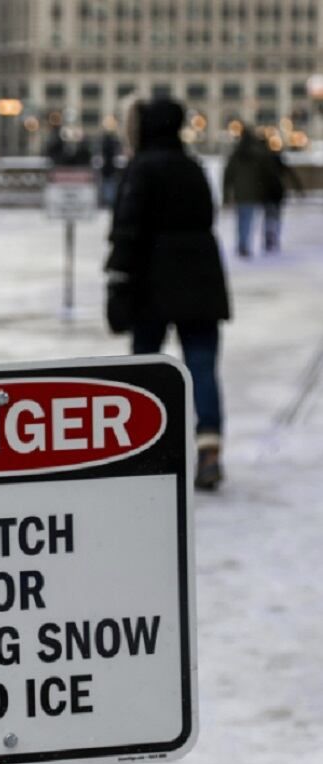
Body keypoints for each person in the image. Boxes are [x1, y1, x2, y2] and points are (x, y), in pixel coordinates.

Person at [105, 98, 231, 490]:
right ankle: (208, 446)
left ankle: (145, 448)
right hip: (201, 278)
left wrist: (119, 278)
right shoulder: (192, 166)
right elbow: (207, 216)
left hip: (151, 279)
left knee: (146, 367)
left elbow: (128, 228)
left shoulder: (141, 168)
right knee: (202, 364)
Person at [223, 126, 272, 257]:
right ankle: (244, 244)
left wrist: (226, 195)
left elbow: (228, 175)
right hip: (252, 192)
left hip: (240, 192)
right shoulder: (257, 154)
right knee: (248, 220)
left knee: (241, 220)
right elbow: (264, 174)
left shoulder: (236, 153)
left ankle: (242, 244)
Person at [262, 145, 303, 253]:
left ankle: (269, 238)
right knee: (275, 218)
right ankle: (274, 238)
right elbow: (292, 175)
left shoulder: (264, 166)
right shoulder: (279, 165)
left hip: (268, 195)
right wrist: (299, 188)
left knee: (269, 217)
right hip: (277, 195)